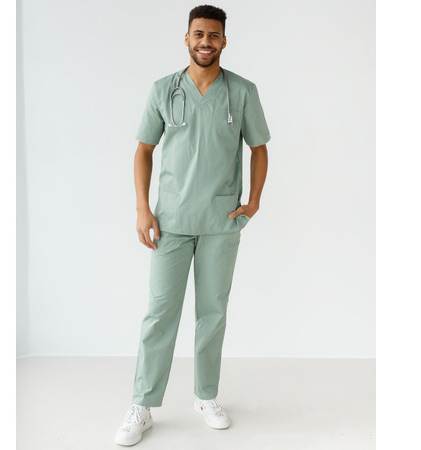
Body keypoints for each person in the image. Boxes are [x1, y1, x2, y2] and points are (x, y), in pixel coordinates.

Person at [114, 4, 270, 446]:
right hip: (171, 221)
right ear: (186, 38)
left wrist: (254, 201)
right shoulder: (164, 90)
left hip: (221, 221)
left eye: (214, 35)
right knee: (160, 313)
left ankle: (206, 396)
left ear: (224, 41)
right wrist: (143, 209)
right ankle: (142, 405)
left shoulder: (242, 91)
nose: (206, 42)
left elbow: (259, 148)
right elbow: (144, 150)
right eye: (199, 34)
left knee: (212, 313)